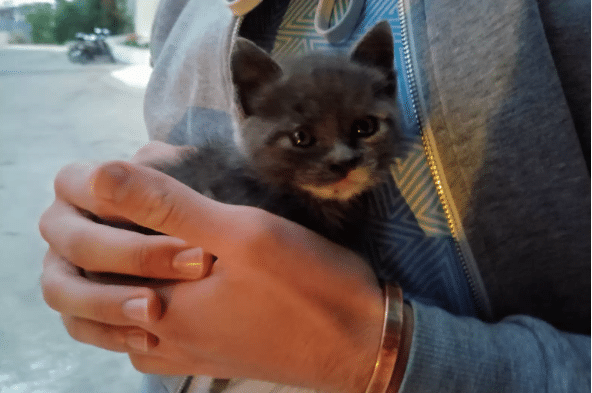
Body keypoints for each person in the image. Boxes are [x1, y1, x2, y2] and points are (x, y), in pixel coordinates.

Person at [38, 0, 590, 392]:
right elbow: (164, 168)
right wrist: (104, 236)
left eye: (363, 130)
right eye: (304, 140)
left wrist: (382, 356)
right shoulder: (185, 10)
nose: (341, 160)